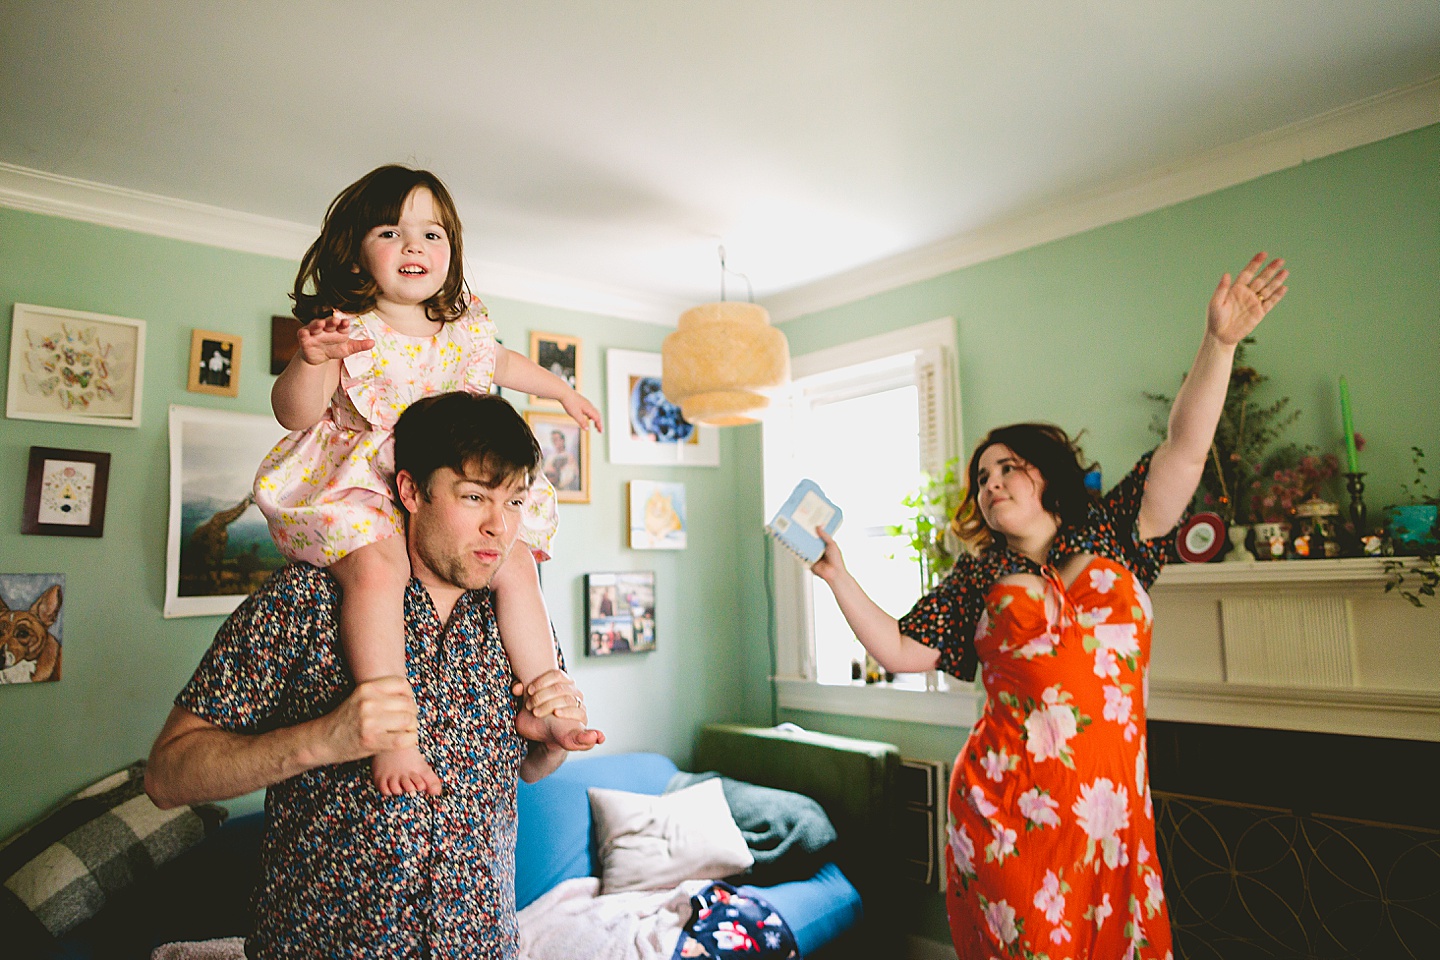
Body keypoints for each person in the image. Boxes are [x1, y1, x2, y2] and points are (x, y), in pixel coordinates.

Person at [810, 254, 1289, 958]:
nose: (993, 482)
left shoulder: (1117, 532)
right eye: (982, 477)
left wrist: (1218, 343)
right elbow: (901, 650)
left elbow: (1185, 451)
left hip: (1115, 820)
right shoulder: (978, 577)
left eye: (1009, 466)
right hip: (1008, 820)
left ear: (1048, 473)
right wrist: (838, 576)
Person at [146, 390, 602, 959]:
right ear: (411, 491)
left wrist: (548, 746)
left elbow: (524, 771)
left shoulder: (515, 617)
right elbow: (167, 776)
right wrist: (326, 738)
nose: (498, 527)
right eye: (474, 497)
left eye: (513, 503)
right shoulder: (306, 599)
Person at [255, 165, 603, 797]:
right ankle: (392, 730)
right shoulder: (348, 328)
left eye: (432, 234)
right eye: (391, 232)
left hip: (446, 477)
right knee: (376, 571)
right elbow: (295, 415)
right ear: (357, 253)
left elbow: (505, 363)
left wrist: (565, 392)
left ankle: (548, 699)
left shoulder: (464, 327)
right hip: (371, 477)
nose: (415, 247)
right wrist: (311, 362)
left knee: (519, 566)